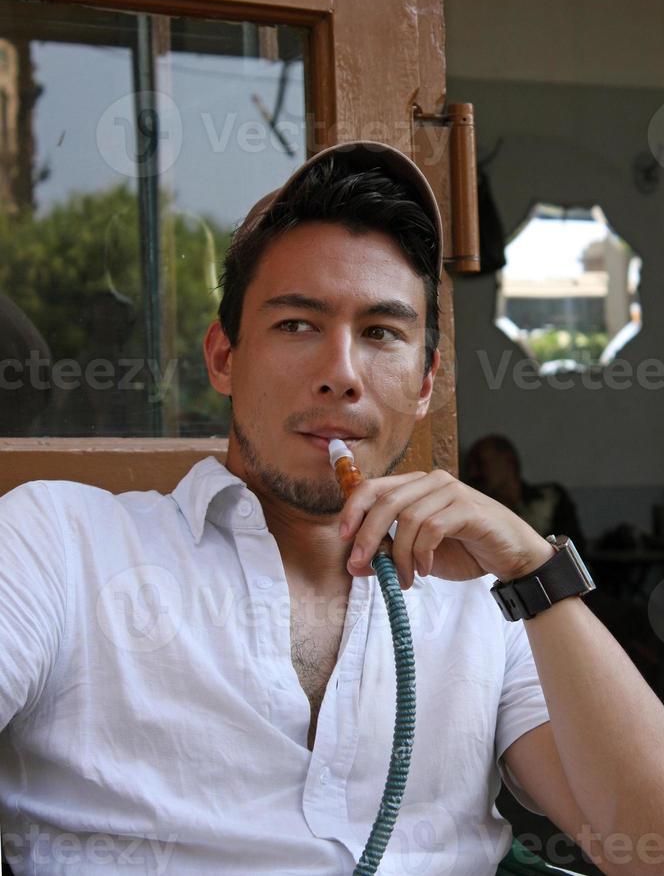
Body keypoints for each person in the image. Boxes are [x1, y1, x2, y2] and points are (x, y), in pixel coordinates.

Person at [1, 142, 663, 876]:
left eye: (381, 333)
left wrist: (535, 571)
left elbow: (648, 847)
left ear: (424, 383)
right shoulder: (59, 544)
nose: (341, 375)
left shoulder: (488, 602)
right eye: (297, 324)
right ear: (223, 357)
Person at [464, 435, 586, 553]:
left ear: (508, 461)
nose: (473, 473)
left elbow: (573, 549)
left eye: (481, 463)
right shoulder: (482, 510)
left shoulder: (551, 497)